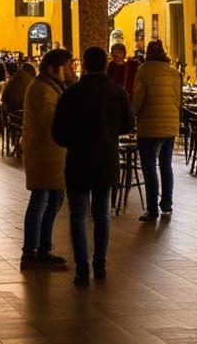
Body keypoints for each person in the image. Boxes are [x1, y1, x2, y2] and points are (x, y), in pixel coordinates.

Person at [51, 45, 132, 286]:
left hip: (78, 160)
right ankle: (100, 264)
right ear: (106, 65)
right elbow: (128, 125)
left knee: (78, 215)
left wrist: (73, 141)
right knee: (102, 214)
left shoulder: (71, 94)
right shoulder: (117, 93)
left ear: (84, 65)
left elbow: (58, 133)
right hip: (106, 160)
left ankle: (82, 268)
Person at [20, 48, 75, 271]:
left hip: (53, 154)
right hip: (44, 155)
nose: (70, 70)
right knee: (40, 201)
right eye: (67, 66)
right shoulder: (42, 89)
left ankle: (43, 248)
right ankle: (30, 252)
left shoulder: (52, 86)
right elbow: (51, 121)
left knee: (54, 200)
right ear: (53, 68)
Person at [131, 39, 181, 221]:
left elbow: (138, 100)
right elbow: (177, 99)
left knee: (149, 166)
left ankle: (152, 209)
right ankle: (167, 203)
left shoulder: (144, 71)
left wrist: (133, 114)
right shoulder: (173, 72)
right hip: (170, 124)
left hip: (149, 126)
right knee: (166, 165)